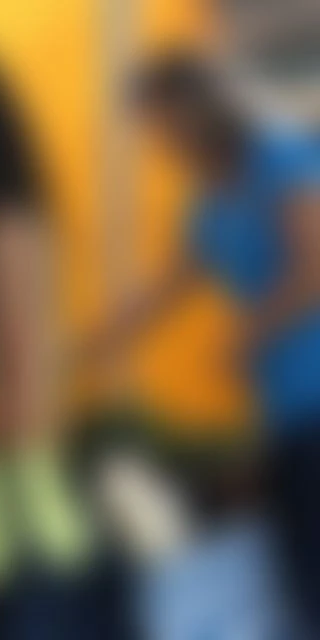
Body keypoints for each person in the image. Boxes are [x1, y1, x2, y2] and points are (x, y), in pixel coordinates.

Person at [97, 53, 320, 636]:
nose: (160, 139)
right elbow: (171, 285)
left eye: (163, 123)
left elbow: (312, 267)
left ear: (199, 109)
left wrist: (247, 334)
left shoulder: (279, 158)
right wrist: (99, 341)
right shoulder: (209, 198)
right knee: (296, 571)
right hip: (282, 414)